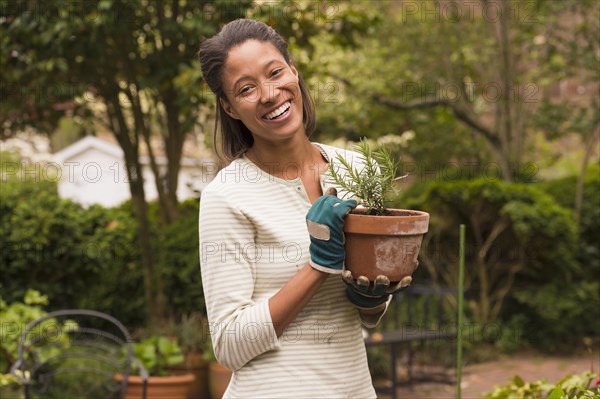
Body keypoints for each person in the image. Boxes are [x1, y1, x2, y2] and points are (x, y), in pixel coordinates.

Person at [198, 19, 407, 398]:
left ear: (294, 72)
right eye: (246, 89)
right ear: (229, 108)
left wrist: (373, 300)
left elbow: (366, 316)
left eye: (275, 73)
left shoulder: (360, 170)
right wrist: (318, 265)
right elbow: (228, 345)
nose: (269, 93)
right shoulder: (227, 196)